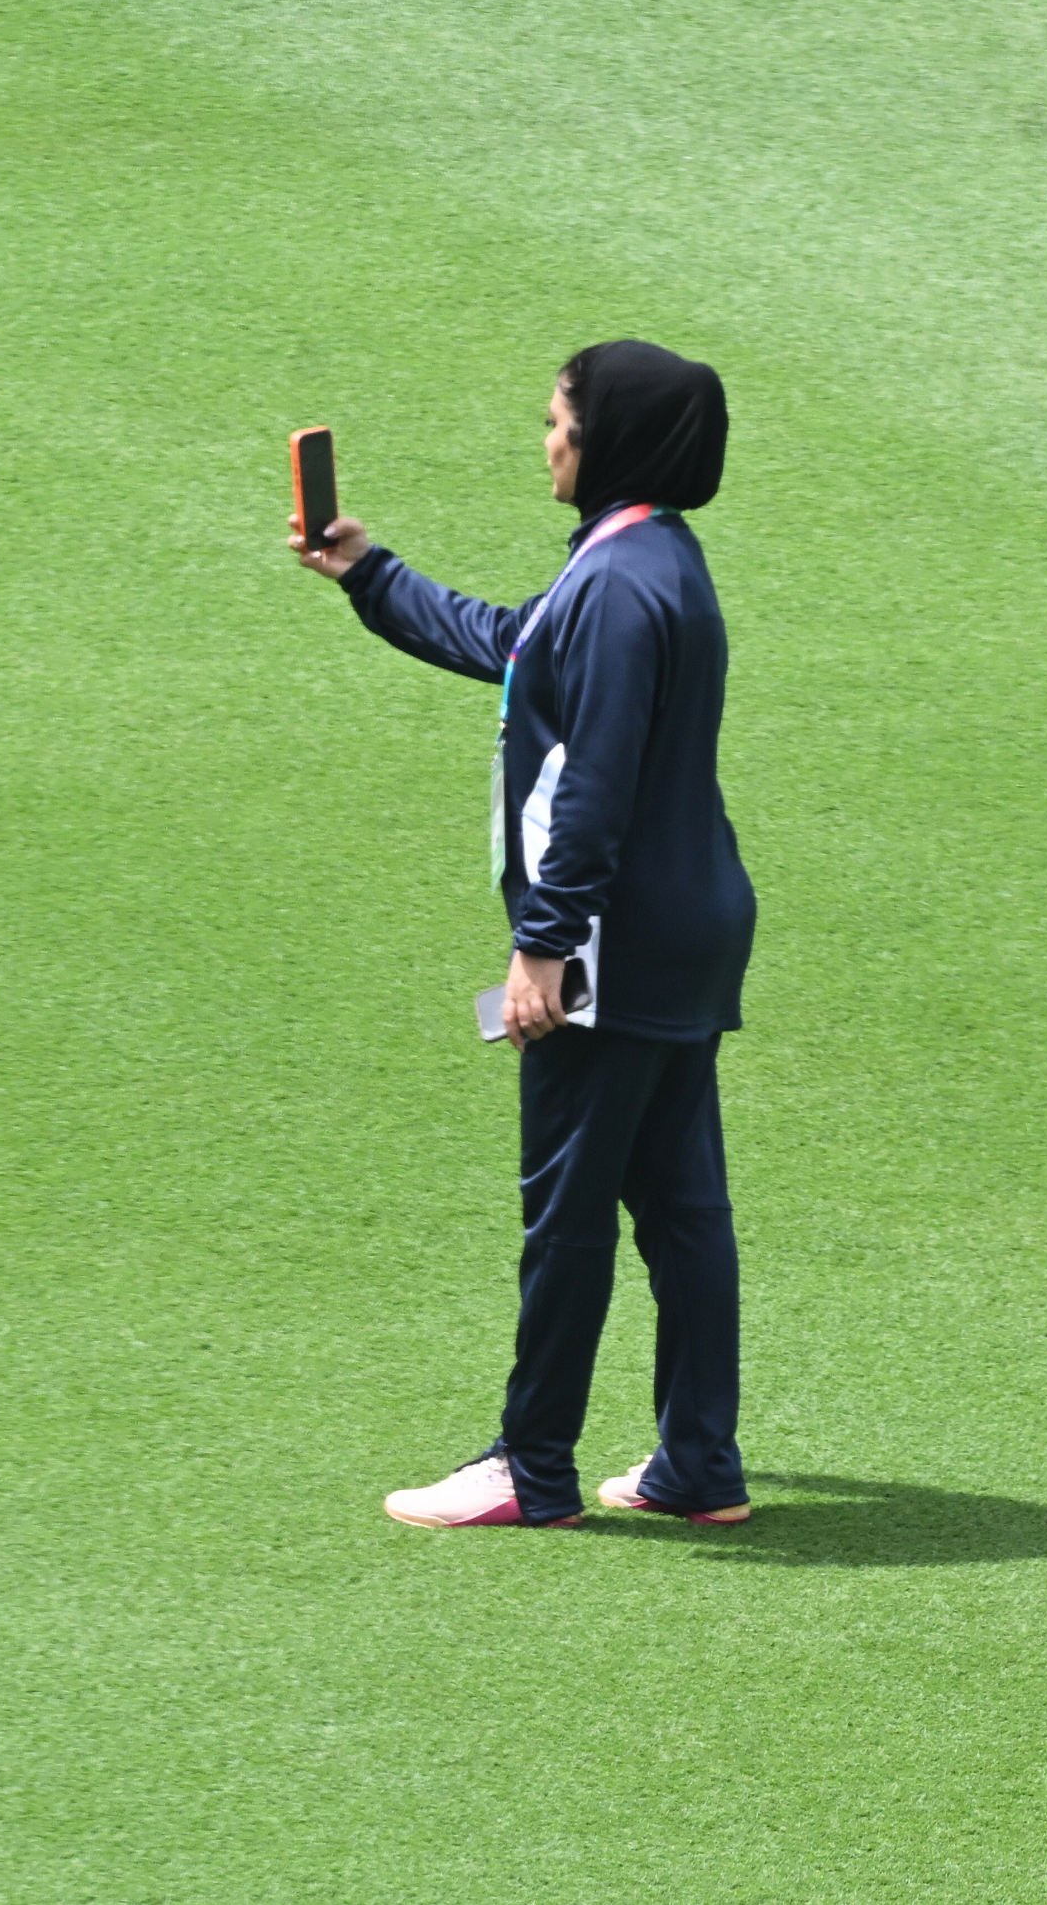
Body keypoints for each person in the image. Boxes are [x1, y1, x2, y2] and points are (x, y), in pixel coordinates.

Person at [295, 341, 753, 1531]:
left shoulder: (616, 585)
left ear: (612, 440)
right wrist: (369, 573)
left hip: (614, 941)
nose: (546, 436)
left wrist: (545, 944)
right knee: (682, 1206)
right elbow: (514, 646)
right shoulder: (644, 559)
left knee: (568, 1206)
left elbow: (593, 782)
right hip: (688, 926)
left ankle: (529, 1467)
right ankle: (697, 1464)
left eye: (560, 418)